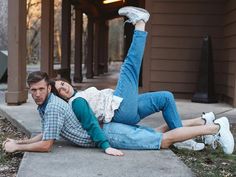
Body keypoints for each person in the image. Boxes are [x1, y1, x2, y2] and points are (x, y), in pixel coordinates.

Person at [3, 6, 234, 155]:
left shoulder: (71, 100)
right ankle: (141, 24)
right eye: (60, 90)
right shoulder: (76, 103)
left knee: (165, 98)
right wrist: (105, 146)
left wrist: (19, 144)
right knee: (130, 71)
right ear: (58, 96)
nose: (63, 88)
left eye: (62, 85)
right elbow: (87, 126)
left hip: (120, 110)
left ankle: (202, 124)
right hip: (119, 113)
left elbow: (48, 136)